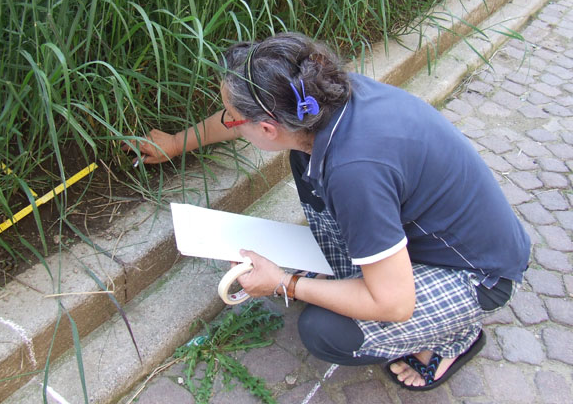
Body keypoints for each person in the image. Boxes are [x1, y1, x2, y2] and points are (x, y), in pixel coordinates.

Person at [124, 32, 530, 390]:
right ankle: (361, 273)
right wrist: (177, 143)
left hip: (477, 273)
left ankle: (455, 336)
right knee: (303, 162)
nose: (227, 121)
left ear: (267, 129)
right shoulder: (320, 100)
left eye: (233, 120)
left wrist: (285, 283)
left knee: (325, 331)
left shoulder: (352, 171)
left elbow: (395, 303)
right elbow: (243, 112)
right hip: (432, 235)